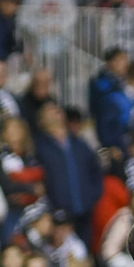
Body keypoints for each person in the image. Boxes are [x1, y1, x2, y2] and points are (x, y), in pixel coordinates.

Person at [35, 103, 103, 246]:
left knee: (84, 251)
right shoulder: (40, 147)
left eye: (57, 110)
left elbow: (95, 170)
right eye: (50, 112)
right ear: (41, 121)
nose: (56, 113)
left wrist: (92, 195)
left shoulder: (79, 144)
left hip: (84, 210)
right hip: (58, 213)